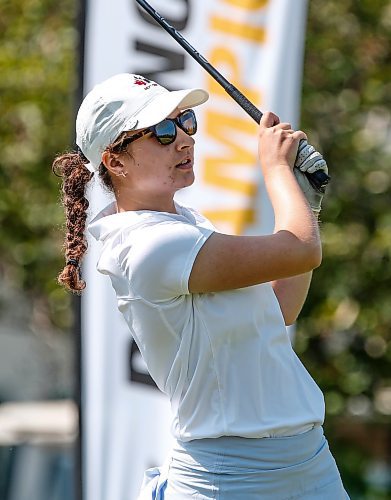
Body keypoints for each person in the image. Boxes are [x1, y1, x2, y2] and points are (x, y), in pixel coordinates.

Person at [53, 73, 349, 499]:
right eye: (162, 131)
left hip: (310, 462)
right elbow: (300, 250)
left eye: (186, 121)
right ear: (114, 162)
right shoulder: (148, 246)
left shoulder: (185, 225)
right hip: (231, 478)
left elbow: (280, 308)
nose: (184, 140)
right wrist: (276, 168)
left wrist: (306, 199)